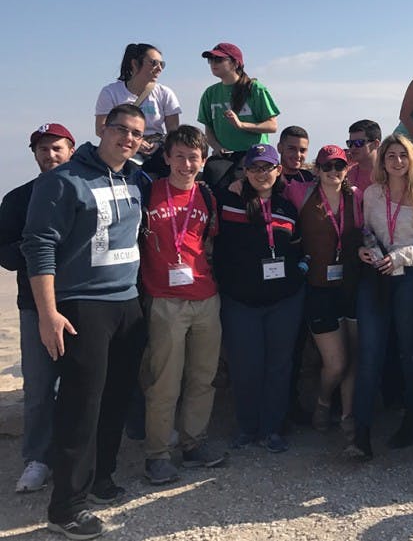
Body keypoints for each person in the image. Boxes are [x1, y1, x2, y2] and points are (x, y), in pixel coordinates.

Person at [21, 105, 148, 538]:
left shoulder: (135, 178)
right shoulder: (62, 181)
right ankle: (65, 509)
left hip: (128, 304)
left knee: (115, 399)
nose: (128, 139)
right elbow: (38, 247)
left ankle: (101, 479)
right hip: (81, 308)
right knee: (80, 408)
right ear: (102, 130)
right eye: (120, 130)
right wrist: (47, 313)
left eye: (136, 133)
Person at [138, 126, 225, 485]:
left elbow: (211, 243)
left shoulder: (207, 195)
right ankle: (157, 454)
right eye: (179, 156)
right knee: (164, 382)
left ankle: (193, 443)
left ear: (203, 161)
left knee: (203, 378)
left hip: (206, 298)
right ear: (167, 157)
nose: (186, 164)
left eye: (194, 157)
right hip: (164, 300)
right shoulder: (149, 192)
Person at [352, 134, 413, 459]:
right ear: (383, 161)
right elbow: (366, 229)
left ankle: (412, 420)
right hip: (377, 275)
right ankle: (360, 432)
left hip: (411, 276)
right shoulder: (372, 194)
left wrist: (403, 255)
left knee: (410, 351)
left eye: (403, 155)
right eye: (390, 155)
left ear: (412, 160)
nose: (397, 161)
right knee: (369, 352)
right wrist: (366, 249)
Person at [213, 144, 305, 454]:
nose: (261, 174)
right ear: (245, 171)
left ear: (278, 170)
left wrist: (299, 272)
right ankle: (246, 427)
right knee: (245, 366)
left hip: (284, 299)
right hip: (240, 301)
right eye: (254, 168)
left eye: (267, 167)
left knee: (279, 365)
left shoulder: (286, 207)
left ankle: (272, 429)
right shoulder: (226, 200)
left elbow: (297, 247)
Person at [1, 123, 75, 494]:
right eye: (43, 149)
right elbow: (5, 253)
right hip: (35, 306)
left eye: (57, 148)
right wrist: (40, 251)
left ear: (71, 150)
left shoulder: (85, 191)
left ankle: (83, 452)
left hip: (84, 301)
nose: (50, 155)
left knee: (90, 380)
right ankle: (37, 458)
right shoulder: (17, 199)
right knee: (40, 385)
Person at [284, 145, 362, 436]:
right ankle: (322, 402)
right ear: (316, 169)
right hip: (318, 289)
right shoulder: (300, 193)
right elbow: (265, 188)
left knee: (353, 357)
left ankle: (348, 416)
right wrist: (239, 181)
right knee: (337, 362)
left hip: (350, 286)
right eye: (327, 167)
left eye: (338, 167)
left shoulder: (357, 197)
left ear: (347, 169)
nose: (333, 172)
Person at [95, 43, 181, 177]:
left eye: (162, 64)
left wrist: (160, 144)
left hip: (156, 148)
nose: (159, 68)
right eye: (153, 63)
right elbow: (101, 128)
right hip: (123, 146)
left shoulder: (165, 93)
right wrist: (135, 142)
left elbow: (173, 130)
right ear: (135, 64)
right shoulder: (111, 92)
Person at [198, 42, 280, 156]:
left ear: (235, 63)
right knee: (212, 171)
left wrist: (241, 125)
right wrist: (217, 148)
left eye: (219, 59)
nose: (213, 63)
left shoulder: (255, 88)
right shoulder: (210, 93)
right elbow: (209, 130)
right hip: (225, 154)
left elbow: (272, 126)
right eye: (210, 60)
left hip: (255, 154)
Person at [345, 119, 382, 195]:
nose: (353, 147)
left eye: (359, 143)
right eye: (350, 143)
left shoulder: (390, 173)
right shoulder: (347, 176)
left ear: (376, 144)